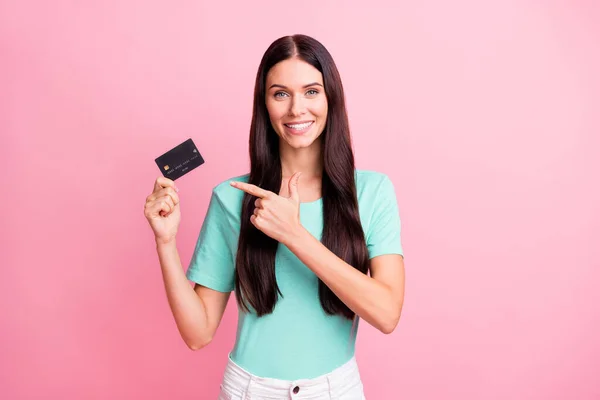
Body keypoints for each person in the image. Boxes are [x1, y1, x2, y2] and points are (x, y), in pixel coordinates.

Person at [144, 34, 405, 400]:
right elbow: (197, 333)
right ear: (264, 104)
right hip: (250, 390)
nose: (297, 108)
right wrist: (166, 241)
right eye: (280, 93)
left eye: (312, 91)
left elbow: (386, 313)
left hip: (336, 390)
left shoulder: (372, 192)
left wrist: (294, 235)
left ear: (332, 98)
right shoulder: (232, 198)